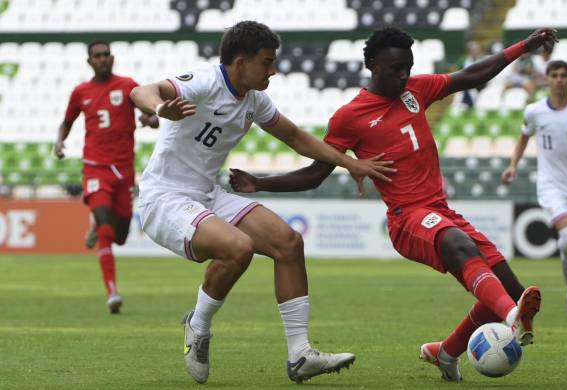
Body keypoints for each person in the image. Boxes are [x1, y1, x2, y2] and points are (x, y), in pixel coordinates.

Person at [229, 26, 558, 382]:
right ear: (372, 64)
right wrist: (260, 183)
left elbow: (471, 75)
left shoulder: (416, 90)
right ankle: (512, 318)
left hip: (442, 212)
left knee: (507, 287)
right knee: (463, 251)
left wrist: (523, 47)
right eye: (396, 68)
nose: (404, 75)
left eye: (408, 67)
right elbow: (314, 174)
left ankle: (445, 352)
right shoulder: (349, 117)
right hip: (407, 218)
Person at [128, 21, 394, 385]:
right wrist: (161, 109)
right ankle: (198, 325)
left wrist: (351, 163)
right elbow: (142, 91)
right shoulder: (205, 81)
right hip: (165, 197)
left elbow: (296, 137)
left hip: (206, 193)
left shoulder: (254, 99)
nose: (273, 70)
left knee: (288, 242)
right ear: (240, 62)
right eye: (267, 63)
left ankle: (301, 354)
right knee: (239, 248)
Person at [55, 41, 159, 314]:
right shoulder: (81, 92)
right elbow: (67, 122)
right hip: (95, 166)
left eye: (106, 55)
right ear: (90, 62)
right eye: (97, 56)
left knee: (121, 235)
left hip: (123, 170)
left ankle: (97, 227)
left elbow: (153, 115)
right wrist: (59, 142)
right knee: (105, 225)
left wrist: (151, 120)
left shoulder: (128, 86)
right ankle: (112, 291)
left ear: (112, 58)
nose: (102, 59)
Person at [501, 60, 567, 315]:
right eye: (555, 75)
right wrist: (513, 166)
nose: (559, 80)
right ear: (546, 79)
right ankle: (564, 259)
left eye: (564, 76)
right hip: (550, 186)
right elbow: (523, 139)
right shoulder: (534, 111)